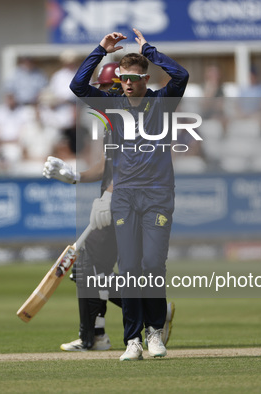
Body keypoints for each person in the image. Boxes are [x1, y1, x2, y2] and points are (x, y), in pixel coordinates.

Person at [64, 28, 188, 361]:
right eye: (123, 79)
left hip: (158, 195)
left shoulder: (162, 101)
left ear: (146, 78)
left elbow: (182, 74)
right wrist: (101, 50)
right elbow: (77, 86)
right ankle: (132, 340)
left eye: (134, 78)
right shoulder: (112, 103)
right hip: (125, 197)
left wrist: (150, 50)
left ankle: (154, 333)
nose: (128, 84)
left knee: (152, 263)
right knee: (130, 267)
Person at [44, 62, 175, 353]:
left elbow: (127, 164)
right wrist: (77, 177)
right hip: (115, 200)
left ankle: (101, 333)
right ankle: (100, 332)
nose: (101, 93)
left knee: (96, 269)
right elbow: (108, 163)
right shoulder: (110, 117)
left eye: (106, 87)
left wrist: (109, 195)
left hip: (128, 202)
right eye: (101, 87)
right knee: (92, 270)